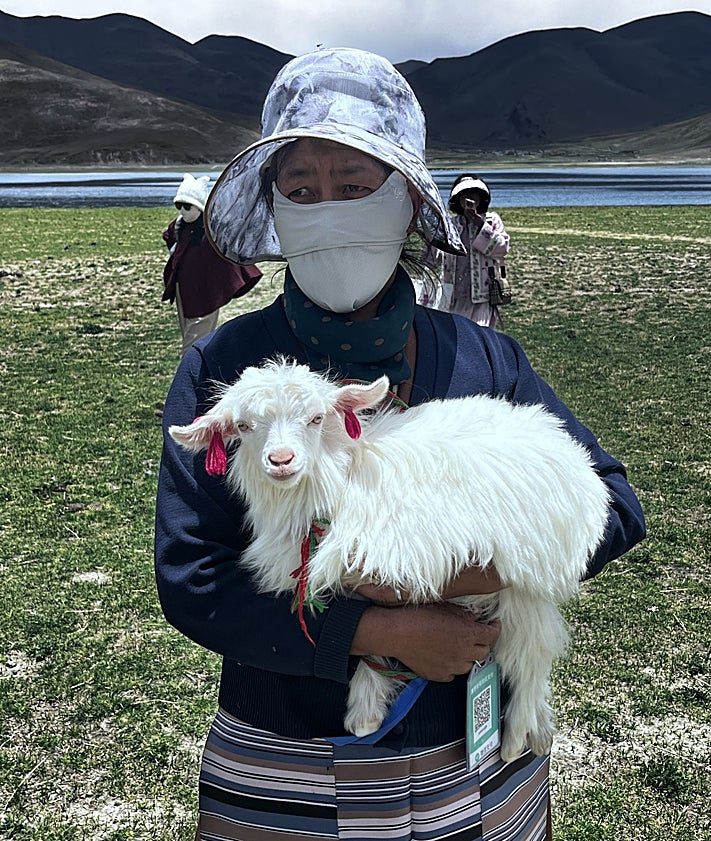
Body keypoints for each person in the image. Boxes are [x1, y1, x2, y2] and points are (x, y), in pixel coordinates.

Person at [154, 47, 646, 841]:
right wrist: (374, 629)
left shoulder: (484, 358)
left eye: (354, 187)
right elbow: (191, 575)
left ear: (406, 204)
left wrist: (460, 575)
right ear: (274, 209)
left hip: (479, 763)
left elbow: (613, 503)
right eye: (301, 189)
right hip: (290, 760)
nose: (329, 207)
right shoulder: (224, 373)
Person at [161, 173, 262, 355]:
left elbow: (230, 253)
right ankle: (199, 374)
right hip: (183, 290)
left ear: (200, 207)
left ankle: (192, 377)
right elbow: (169, 237)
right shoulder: (180, 227)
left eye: (187, 206)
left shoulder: (211, 233)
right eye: (178, 205)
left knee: (193, 342)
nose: (182, 211)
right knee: (189, 336)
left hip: (206, 293)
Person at [418, 174, 511, 329]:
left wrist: (479, 223)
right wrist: (430, 234)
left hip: (482, 297)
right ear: (458, 200)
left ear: (481, 198)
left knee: (479, 337)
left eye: (473, 194)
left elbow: (501, 250)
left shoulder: (491, 221)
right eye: (464, 195)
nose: (469, 199)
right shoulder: (450, 226)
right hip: (453, 296)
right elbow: (431, 259)